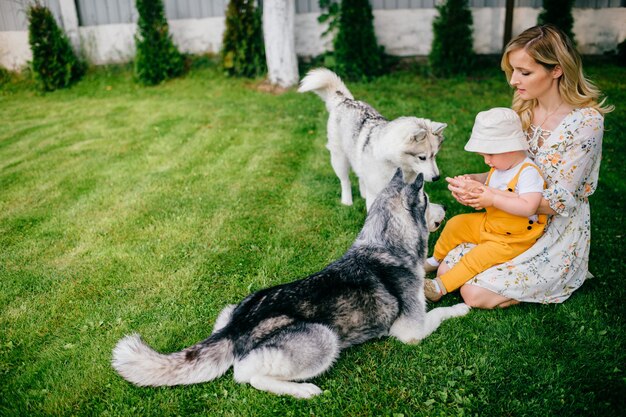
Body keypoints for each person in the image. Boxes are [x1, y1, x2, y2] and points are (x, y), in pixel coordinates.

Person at [435, 24, 613, 309]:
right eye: (513, 71)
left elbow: (558, 202)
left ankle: (550, 275)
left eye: (525, 72)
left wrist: (491, 197)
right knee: (446, 270)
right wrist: (477, 181)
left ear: (556, 70)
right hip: (506, 223)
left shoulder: (586, 123)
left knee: (473, 294)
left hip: (553, 229)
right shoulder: (523, 108)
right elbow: (512, 172)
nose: (513, 81)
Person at [423, 107, 547, 302]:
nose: (486, 160)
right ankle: (435, 260)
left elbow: (529, 206)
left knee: (477, 257)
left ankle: (439, 287)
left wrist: (493, 199)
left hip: (511, 239)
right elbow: (491, 179)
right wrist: (472, 180)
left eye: (490, 155)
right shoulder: (503, 164)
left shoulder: (528, 172)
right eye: (483, 156)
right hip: (490, 223)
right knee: (456, 223)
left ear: (511, 147)